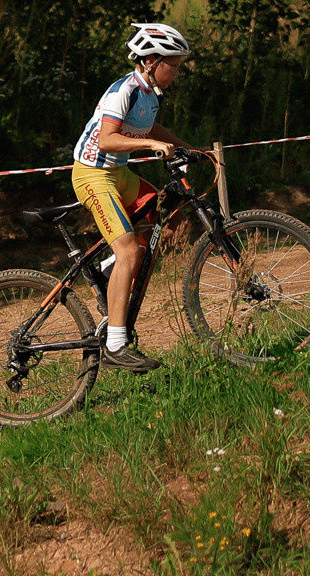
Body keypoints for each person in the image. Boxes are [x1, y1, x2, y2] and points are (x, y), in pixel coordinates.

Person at [69, 22, 199, 372]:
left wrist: (188, 148)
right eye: (175, 64)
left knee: (169, 221)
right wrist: (152, 146)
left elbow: (149, 127)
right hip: (94, 176)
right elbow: (109, 139)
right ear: (152, 60)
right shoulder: (122, 91)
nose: (177, 71)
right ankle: (115, 343)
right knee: (128, 249)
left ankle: (107, 271)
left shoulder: (150, 94)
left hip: (118, 175)